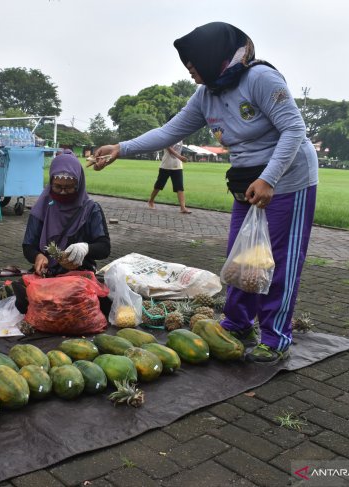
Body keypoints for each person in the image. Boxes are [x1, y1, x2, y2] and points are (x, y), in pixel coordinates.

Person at [94, 22, 318, 364]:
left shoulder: (260, 79)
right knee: (241, 260)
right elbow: (170, 131)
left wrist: (270, 178)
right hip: (247, 182)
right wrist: (121, 148)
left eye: (193, 65)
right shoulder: (207, 93)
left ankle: (276, 337)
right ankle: (239, 323)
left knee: (279, 262)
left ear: (213, 56)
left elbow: (294, 129)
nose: (192, 72)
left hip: (288, 179)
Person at [11, 149, 111, 314]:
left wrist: (85, 248)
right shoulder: (42, 208)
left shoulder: (91, 209)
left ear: (79, 185)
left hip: (79, 276)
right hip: (47, 275)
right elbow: (28, 245)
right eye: (57, 187)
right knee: (24, 300)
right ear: (51, 183)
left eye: (69, 188)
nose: (63, 192)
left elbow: (104, 247)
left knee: (93, 302)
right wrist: (38, 256)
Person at [148, 139, 191, 213]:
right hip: (166, 166)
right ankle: (151, 201)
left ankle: (183, 207)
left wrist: (181, 158)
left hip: (178, 166)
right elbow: (169, 148)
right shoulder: (169, 137)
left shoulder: (181, 138)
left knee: (179, 187)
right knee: (159, 185)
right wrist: (180, 157)